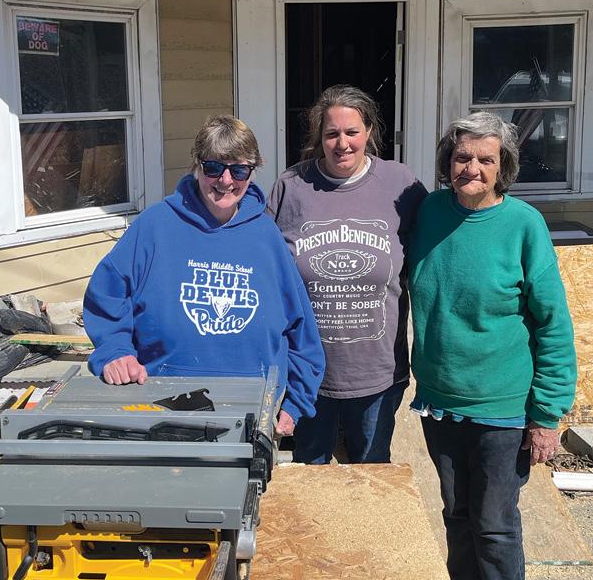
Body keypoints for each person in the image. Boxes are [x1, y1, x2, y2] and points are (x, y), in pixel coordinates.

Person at [408, 111, 577, 580]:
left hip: (503, 406)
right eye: (462, 157)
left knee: (494, 522)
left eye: (486, 159)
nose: (472, 168)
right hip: (440, 401)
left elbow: (553, 324)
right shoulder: (430, 213)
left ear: (503, 167)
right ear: (447, 162)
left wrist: (547, 415)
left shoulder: (524, 224)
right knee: (456, 513)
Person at [84, 115, 325, 435]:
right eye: (214, 167)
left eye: (239, 170)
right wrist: (115, 351)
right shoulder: (154, 226)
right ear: (197, 165)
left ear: (252, 172)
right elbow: (107, 293)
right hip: (164, 407)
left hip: (254, 412)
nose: (226, 180)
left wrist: (295, 403)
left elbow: (301, 328)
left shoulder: (266, 236)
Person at [268, 85, 427, 464]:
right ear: (319, 137)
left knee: (370, 476)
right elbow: (265, 264)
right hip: (308, 374)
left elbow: (430, 251)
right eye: (332, 134)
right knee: (311, 475)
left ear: (369, 131)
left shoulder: (400, 183)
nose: (342, 144)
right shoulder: (292, 187)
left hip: (376, 372)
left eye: (352, 132)